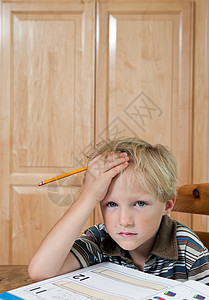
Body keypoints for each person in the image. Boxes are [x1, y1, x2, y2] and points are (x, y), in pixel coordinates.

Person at [28, 138, 209, 284]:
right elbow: (41, 271)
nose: (124, 221)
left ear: (167, 205)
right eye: (112, 204)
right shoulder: (100, 240)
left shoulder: (187, 249)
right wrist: (88, 196)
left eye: (139, 203)